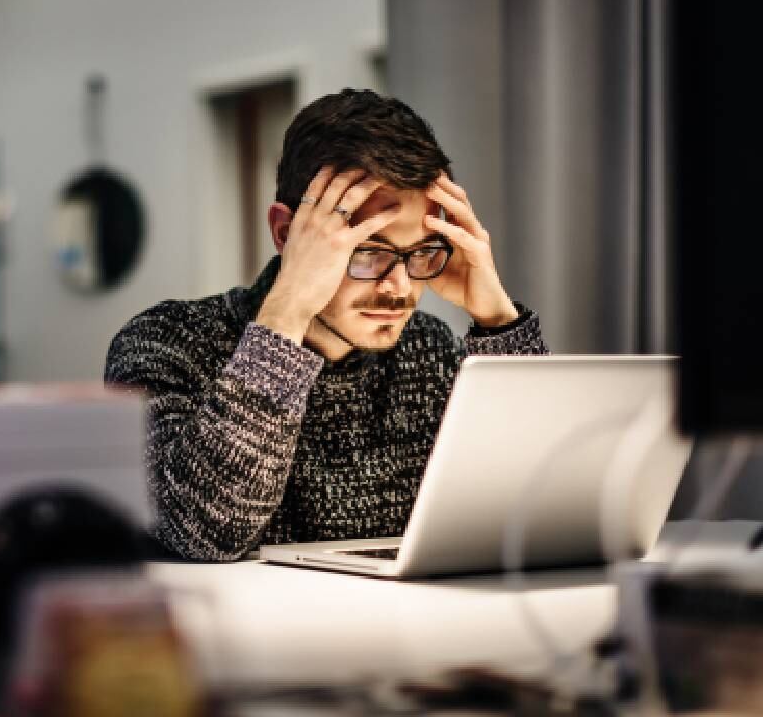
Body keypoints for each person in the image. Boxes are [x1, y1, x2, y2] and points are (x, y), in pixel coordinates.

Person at [105, 89, 548, 561]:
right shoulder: (165, 342)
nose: (398, 287)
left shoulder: (432, 351)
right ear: (285, 233)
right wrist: (288, 311)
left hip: (410, 629)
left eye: (419, 252)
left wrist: (499, 321)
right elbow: (205, 535)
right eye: (369, 251)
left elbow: (541, 505)